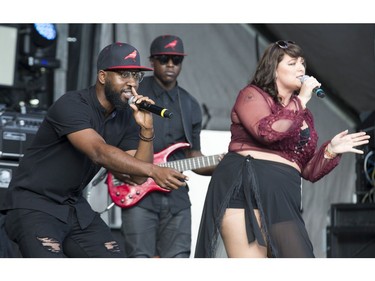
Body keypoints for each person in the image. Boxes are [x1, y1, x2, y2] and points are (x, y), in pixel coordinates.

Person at [0, 42, 188, 258]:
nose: (131, 83)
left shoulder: (127, 116)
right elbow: (98, 151)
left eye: (136, 76)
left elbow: (136, 178)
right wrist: (154, 171)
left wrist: (147, 129)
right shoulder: (72, 104)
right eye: (123, 75)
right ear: (102, 77)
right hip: (34, 204)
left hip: (74, 206)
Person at [194, 40, 370, 258]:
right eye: (293, 63)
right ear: (274, 69)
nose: (301, 69)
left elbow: (307, 171)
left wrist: (331, 150)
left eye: (303, 64)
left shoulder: (304, 116)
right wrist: (302, 99)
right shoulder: (252, 95)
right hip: (244, 188)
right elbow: (267, 133)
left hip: (283, 194)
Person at [119, 35, 217, 258]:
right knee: (139, 258)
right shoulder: (135, 95)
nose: (171, 64)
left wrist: (223, 164)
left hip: (177, 198)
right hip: (138, 193)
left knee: (179, 259)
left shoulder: (190, 104)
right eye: (164, 59)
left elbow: (194, 155)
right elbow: (114, 143)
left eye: (176, 59)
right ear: (152, 61)